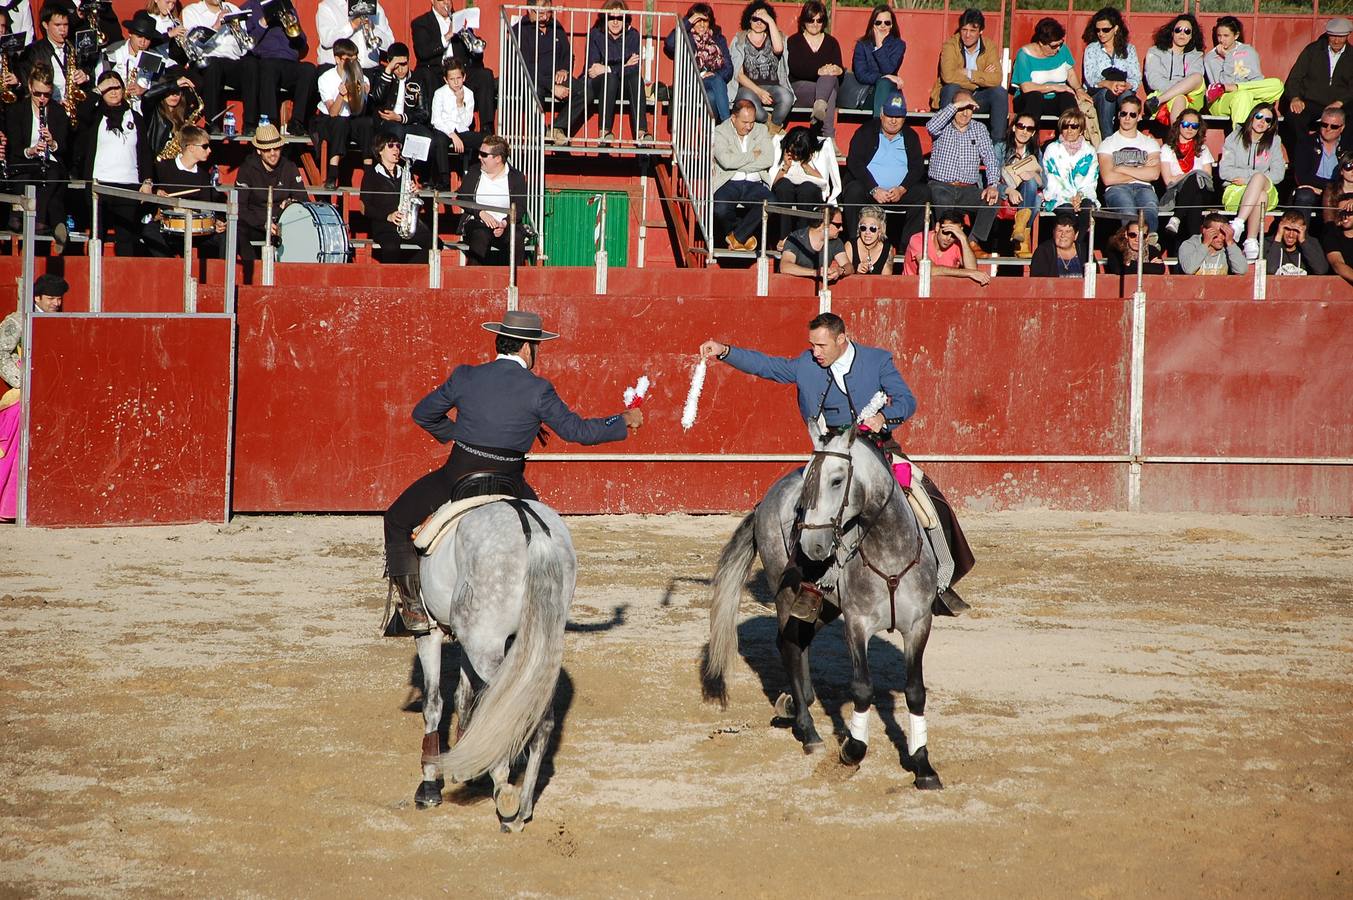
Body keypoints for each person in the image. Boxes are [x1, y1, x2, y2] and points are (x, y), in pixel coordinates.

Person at [383, 309, 642, 634]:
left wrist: (460, 435)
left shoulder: (465, 376)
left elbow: (423, 414)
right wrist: (620, 421)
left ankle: (412, 609)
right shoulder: (538, 389)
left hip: (458, 475)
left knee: (395, 518)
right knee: (545, 535)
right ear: (525, 348)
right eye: (537, 347)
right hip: (511, 481)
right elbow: (578, 432)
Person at [696, 312, 974, 614]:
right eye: (812, 345)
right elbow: (769, 367)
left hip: (876, 449)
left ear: (842, 339)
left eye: (821, 346)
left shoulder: (877, 361)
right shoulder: (806, 364)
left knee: (926, 499)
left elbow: (906, 400)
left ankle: (940, 581)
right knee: (812, 510)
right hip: (831, 454)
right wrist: (725, 351)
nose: (815, 352)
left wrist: (883, 418)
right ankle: (813, 586)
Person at [0, 273, 67, 522]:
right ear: (37, 297)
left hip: (53, 393)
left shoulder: (60, 321)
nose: (56, 304)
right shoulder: (18, 321)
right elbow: (0, 351)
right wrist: (22, 381)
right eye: (51, 298)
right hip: (24, 395)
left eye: (58, 299)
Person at [74, 71, 152, 258]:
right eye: (108, 88)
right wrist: (97, 89)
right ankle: (93, 276)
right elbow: (80, 112)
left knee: (126, 238)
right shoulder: (95, 115)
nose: (113, 92)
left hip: (128, 185)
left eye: (117, 87)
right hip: (99, 184)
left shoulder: (135, 116)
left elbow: (144, 152)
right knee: (97, 234)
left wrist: (147, 181)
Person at [839, 92, 928, 249]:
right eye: (889, 115)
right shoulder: (865, 131)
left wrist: (902, 189)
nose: (893, 121)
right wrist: (873, 188)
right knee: (853, 190)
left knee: (923, 193)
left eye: (898, 116)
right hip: (870, 190)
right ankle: (854, 245)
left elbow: (917, 167)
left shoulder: (910, 135)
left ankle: (908, 248)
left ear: (904, 118)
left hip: (898, 193)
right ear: (881, 114)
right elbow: (854, 162)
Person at [3, 64, 70, 251]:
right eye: (38, 93)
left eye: (47, 95)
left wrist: (52, 142)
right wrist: (31, 150)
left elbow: (64, 146)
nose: (42, 99)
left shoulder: (57, 112)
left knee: (52, 174)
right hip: (24, 160)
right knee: (28, 177)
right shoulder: (17, 110)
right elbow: (15, 145)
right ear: (30, 88)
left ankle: (30, 221)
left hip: (50, 162)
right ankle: (50, 222)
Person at [926, 90, 999, 256]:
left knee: (993, 200)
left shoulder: (979, 129)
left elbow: (990, 157)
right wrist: (955, 106)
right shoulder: (942, 125)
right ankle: (945, 244)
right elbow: (930, 127)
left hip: (968, 189)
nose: (965, 113)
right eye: (962, 108)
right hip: (941, 185)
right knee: (942, 199)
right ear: (953, 108)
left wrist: (993, 184)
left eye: (970, 108)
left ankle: (972, 242)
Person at [564, 0, 648, 144]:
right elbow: (593, 70)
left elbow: (634, 67)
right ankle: (604, 132)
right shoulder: (596, 34)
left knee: (635, 78)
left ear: (625, 20)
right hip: (599, 85)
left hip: (622, 84)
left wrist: (608, 68)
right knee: (610, 79)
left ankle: (642, 134)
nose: (615, 22)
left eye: (619, 18)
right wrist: (623, 65)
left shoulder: (633, 36)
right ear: (605, 19)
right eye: (611, 17)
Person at [410, 0, 495, 132]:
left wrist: (472, 44)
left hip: (459, 74)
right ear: (432, 1)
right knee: (428, 76)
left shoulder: (460, 20)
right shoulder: (421, 23)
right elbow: (423, 52)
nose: (446, 3)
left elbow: (476, 56)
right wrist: (448, 36)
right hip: (437, 74)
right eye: (442, 0)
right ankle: (434, 129)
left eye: (449, 0)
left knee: (485, 75)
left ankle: (487, 129)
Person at [233, 122, 307, 272]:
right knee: (237, 228)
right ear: (259, 150)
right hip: (256, 223)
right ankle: (251, 271)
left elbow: (304, 201)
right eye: (268, 149)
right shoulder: (247, 170)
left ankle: (293, 273)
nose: (273, 153)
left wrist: (292, 205)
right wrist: (263, 223)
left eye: (277, 148)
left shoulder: (289, 167)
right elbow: (240, 207)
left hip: (282, 224)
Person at [144, 124, 226, 258]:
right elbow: (147, 191)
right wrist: (156, 192)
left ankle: (222, 275)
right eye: (205, 146)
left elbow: (209, 205)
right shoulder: (163, 167)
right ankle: (170, 269)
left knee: (226, 237)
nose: (209, 150)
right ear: (191, 147)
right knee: (149, 231)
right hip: (169, 228)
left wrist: (216, 221)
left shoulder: (203, 176)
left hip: (195, 230)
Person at [930, 8, 1006, 150]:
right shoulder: (950, 45)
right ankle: (943, 142)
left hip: (978, 99)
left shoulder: (989, 46)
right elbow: (948, 76)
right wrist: (981, 77)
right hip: (955, 97)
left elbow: (996, 79)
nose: (967, 35)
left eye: (972, 31)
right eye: (964, 30)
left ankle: (998, 147)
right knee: (950, 88)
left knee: (999, 93)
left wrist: (969, 73)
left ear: (981, 31)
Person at [182, 0, 260, 133]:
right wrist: (216, 25)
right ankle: (211, 123)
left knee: (251, 65)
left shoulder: (233, 9)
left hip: (230, 61)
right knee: (214, 65)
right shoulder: (191, 11)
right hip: (205, 61)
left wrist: (236, 29)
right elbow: (193, 47)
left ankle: (250, 124)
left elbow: (242, 50)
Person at [1220, 102, 1285, 261]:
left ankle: (1238, 223)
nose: (1262, 122)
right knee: (1260, 196)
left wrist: (1250, 178)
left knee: (1259, 181)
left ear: (1271, 124)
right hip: (1236, 191)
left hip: (1267, 188)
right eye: (1259, 117)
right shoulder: (1235, 137)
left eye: (1268, 120)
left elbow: (1278, 174)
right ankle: (1251, 241)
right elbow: (1224, 171)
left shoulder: (1274, 141)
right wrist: (1255, 177)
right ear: (1252, 116)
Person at [243, 0, 318, 135]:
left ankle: (297, 121)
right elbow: (247, 43)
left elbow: (301, 42)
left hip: (289, 62)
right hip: (266, 59)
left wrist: (291, 21)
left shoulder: (285, 4)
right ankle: (270, 122)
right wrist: (264, 22)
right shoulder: (249, 7)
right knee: (269, 68)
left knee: (309, 69)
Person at [510, 0, 576, 146]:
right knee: (534, 91)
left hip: (557, 77)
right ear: (529, 10)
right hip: (534, 80)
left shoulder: (556, 26)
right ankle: (539, 134)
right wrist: (551, 86)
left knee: (585, 90)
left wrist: (564, 69)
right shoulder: (520, 30)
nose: (545, 17)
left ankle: (557, 128)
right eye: (540, 13)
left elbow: (568, 54)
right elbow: (524, 66)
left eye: (548, 12)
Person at [361, 131, 433, 263]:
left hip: (406, 223)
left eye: (398, 146)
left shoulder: (405, 172)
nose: (396, 149)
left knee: (435, 243)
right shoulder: (371, 174)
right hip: (384, 225)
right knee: (391, 247)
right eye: (390, 145)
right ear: (380, 150)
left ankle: (409, 272)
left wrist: (414, 193)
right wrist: (388, 216)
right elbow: (364, 208)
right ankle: (392, 280)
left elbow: (413, 202)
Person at [458, 133, 528, 266]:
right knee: (480, 235)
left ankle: (517, 281)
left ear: (498, 158)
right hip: (478, 222)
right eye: (479, 153)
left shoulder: (516, 177)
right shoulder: (474, 171)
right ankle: (473, 280)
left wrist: (504, 223)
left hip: (504, 225)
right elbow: (462, 197)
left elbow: (520, 208)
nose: (479, 157)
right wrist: (481, 213)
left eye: (484, 155)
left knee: (517, 237)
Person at [712, 98, 772, 251]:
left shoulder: (761, 130)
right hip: (729, 181)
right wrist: (753, 155)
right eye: (745, 122)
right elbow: (726, 161)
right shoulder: (720, 131)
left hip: (754, 182)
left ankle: (737, 237)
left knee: (771, 202)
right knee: (720, 208)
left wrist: (738, 164)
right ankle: (741, 234)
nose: (749, 126)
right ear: (733, 118)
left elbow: (768, 158)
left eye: (752, 122)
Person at [1203, 16, 1284, 129]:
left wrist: (1236, 87)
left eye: (1226, 36)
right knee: (1243, 96)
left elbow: (1257, 81)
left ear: (1236, 35)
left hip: (1249, 96)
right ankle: (1239, 141)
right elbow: (1221, 86)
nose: (1221, 40)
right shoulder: (1211, 58)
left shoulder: (1248, 51)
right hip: (1221, 101)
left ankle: (1235, 88)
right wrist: (1228, 57)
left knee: (1277, 85)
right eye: (1219, 35)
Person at [311, 37, 371, 189]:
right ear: (337, 59)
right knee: (340, 123)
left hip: (351, 117)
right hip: (330, 119)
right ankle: (332, 174)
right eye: (347, 59)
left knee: (366, 124)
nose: (352, 63)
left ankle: (369, 175)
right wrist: (341, 95)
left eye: (354, 59)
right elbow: (332, 112)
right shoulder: (326, 78)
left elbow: (359, 111)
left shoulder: (363, 78)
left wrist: (362, 96)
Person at [1097, 95, 1160, 236]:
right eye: (1123, 114)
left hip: (1144, 187)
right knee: (1128, 209)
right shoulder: (1107, 143)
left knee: (1149, 206)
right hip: (1117, 189)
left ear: (1138, 117)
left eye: (1132, 115)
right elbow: (1108, 178)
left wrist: (1120, 168)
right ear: (1118, 115)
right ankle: (1130, 246)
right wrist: (1140, 171)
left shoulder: (1149, 143)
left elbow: (1154, 174)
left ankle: (1149, 241)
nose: (1127, 118)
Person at [1283, 17, 1353, 141]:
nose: (1336, 41)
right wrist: (1295, 98)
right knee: (1293, 116)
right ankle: (1306, 151)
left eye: (1341, 37)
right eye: (1332, 36)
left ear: (1348, 35)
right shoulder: (1313, 50)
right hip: (1312, 102)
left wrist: (1340, 102)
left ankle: (1343, 155)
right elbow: (1295, 77)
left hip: (1342, 104)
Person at [1010, 17, 1086, 130]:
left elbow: (1070, 74)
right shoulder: (1024, 55)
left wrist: (1079, 89)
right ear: (1041, 43)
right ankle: (1030, 138)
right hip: (1029, 99)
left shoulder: (1063, 50)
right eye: (1054, 46)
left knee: (1067, 97)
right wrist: (1055, 87)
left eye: (1060, 44)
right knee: (1035, 96)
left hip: (1054, 99)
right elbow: (1026, 87)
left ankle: (1070, 136)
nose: (1058, 49)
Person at [662, 3, 732, 123]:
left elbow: (728, 68)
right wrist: (688, 22)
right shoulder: (685, 36)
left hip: (712, 84)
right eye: (697, 20)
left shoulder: (718, 39)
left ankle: (708, 135)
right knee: (714, 89)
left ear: (710, 22)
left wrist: (714, 75)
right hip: (690, 84)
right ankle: (727, 125)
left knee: (711, 96)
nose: (701, 24)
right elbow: (669, 43)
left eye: (705, 20)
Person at [729, 0, 792, 133]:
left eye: (763, 20)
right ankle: (766, 121)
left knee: (787, 97)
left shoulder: (776, 36)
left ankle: (773, 129)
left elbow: (779, 49)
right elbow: (738, 75)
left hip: (773, 86)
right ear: (749, 20)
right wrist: (759, 92)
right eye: (755, 19)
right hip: (748, 87)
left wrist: (769, 20)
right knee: (752, 106)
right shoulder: (739, 40)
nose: (759, 23)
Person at [770, 124, 839, 243]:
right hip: (785, 187)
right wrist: (785, 167)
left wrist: (806, 166)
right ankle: (784, 237)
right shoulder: (779, 144)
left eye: (799, 154)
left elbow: (824, 184)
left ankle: (802, 239)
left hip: (810, 190)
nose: (796, 156)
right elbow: (771, 182)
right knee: (784, 186)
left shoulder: (822, 148)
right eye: (794, 152)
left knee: (806, 189)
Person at [1081, 7, 1140, 141]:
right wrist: (1108, 84)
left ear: (1116, 29)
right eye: (1098, 30)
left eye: (1105, 30)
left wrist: (1125, 85)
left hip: (1122, 89)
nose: (1101, 34)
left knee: (1126, 96)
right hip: (1098, 93)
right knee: (1106, 96)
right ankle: (1107, 141)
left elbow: (1135, 77)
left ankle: (1128, 139)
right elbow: (1090, 78)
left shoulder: (1129, 49)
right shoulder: (1092, 49)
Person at [1157, 108, 1217, 239]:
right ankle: (1194, 240)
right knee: (1195, 194)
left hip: (1203, 190)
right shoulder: (1167, 149)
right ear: (1179, 125)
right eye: (1186, 124)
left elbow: (1207, 177)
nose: (1190, 128)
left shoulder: (1203, 149)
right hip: (1177, 193)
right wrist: (1191, 175)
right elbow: (1168, 181)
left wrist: (1183, 176)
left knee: (1195, 181)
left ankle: (1176, 219)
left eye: (1194, 126)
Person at [786, 1, 841, 140]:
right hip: (799, 88)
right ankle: (829, 138)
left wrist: (838, 70)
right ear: (804, 20)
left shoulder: (831, 42)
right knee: (830, 90)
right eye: (811, 20)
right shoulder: (794, 41)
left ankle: (819, 106)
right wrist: (818, 71)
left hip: (824, 90)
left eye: (819, 20)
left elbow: (839, 71)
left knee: (830, 80)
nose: (815, 24)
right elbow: (795, 69)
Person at [1291, 106, 1353, 226]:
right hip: (1314, 192)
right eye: (1324, 125)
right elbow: (1302, 177)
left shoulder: (1348, 146)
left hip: (1342, 190)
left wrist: (1328, 190)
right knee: (1304, 195)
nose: (1328, 129)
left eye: (1334, 126)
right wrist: (1327, 189)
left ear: (1342, 128)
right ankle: (1300, 235)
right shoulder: (1306, 143)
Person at [839, 3, 903, 116]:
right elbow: (861, 74)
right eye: (878, 22)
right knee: (884, 81)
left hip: (889, 92)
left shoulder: (898, 45)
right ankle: (878, 127)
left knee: (885, 84)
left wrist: (879, 45)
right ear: (872, 24)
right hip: (867, 94)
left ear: (892, 25)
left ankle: (880, 125)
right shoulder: (862, 45)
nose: (882, 26)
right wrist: (884, 77)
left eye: (887, 23)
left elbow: (888, 69)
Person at [1144, 14, 1204, 126]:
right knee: (1179, 99)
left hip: (1191, 97)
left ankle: (1158, 100)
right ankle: (1176, 141)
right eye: (1178, 30)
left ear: (1192, 36)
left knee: (1197, 77)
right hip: (1164, 94)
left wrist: (1179, 89)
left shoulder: (1196, 55)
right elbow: (1154, 80)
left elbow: (1194, 79)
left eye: (1187, 31)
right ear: (1172, 33)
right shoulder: (1155, 52)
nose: (1182, 33)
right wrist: (1177, 91)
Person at [901, 211, 990, 286]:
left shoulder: (958, 243)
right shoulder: (919, 239)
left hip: (943, 289)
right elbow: (929, 270)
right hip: (912, 287)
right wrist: (969, 273)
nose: (948, 238)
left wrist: (963, 239)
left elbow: (972, 268)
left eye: (954, 234)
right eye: (946, 232)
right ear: (937, 227)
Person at [1040, 107, 1099, 219]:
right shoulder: (1052, 149)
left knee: (1087, 207)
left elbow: (1091, 180)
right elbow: (1052, 180)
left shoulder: (1089, 151)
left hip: (1082, 196)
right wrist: (1069, 199)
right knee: (1067, 209)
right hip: (1058, 197)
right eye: (1065, 126)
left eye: (1074, 126)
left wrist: (1079, 196)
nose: (1069, 130)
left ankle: (1080, 237)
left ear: (1081, 130)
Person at [429, 58, 480, 182]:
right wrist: (452, 134)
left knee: (482, 140)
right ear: (446, 80)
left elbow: (467, 122)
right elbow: (436, 120)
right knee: (439, 141)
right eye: (452, 79)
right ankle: (444, 179)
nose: (456, 82)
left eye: (458, 78)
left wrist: (460, 103)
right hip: (444, 130)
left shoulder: (468, 93)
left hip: (462, 130)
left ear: (464, 77)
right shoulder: (439, 93)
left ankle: (474, 178)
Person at [1002, 112, 1043, 258]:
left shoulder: (1036, 152)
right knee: (1036, 202)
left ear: (1033, 133)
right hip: (1005, 193)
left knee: (1032, 186)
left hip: (1028, 192)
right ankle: (1022, 241)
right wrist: (1008, 190)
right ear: (1013, 128)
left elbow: (1043, 182)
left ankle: (1020, 229)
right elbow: (992, 178)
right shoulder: (1001, 148)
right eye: (1021, 126)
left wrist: (1031, 174)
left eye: (1029, 129)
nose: (1024, 131)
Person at [315, 0, 393, 72]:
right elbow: (326, 40)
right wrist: (352, 26)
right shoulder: (327, 6)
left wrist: (373, 29)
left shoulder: (374, 6)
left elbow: (389, 43)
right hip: (337, 70)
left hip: (369, 70)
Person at [778, 206, 847, 281]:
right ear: (823, 224)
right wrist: (816, 273)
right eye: (838, 225)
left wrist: (840, 271)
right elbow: (785, 266)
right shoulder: (796, 237)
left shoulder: (836, 241)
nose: (841, 229)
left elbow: (848, 265)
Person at [1178, 212, 1247, 274]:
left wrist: (1230, 242)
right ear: (1204, 231)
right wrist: (1205, 244)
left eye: (1224, 233)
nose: (1221, 237)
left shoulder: (1229, 247)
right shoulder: (1190, 245)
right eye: (1216, 233)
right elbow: (1189, 269)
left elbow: (1241, 270)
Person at [1264, 211, 1329, 276]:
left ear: (1303, 229)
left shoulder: (1311, 242)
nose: (1291, 235)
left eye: (1296, 230)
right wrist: (1278, 238)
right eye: (1287, 229)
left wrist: (1303, 241)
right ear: (1280, 227)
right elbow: (1269, 270)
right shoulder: (1269, 242)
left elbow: (1321, 270)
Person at [844, 204, 891, 275]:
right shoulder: (850, 246)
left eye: (873, 228)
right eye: (863, 228)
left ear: (880, 231)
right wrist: (857, 273)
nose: (867, 232)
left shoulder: (887, 249)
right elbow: (845, 281)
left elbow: (886, 281)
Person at [1322, 193, 1353, 284]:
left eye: (1349, 212)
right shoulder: (1332, 234)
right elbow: (1337, 264)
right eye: (1341, 212)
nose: (1345, 216)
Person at [1321, 148, 1353, 230]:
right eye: (1349, 166)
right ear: (1341, 171)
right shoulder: (1331, 190)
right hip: (1337, 230)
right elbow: (1329, 219)